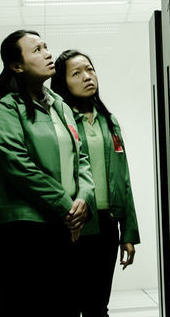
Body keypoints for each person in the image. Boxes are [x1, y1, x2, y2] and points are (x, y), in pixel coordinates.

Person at [0, 30, 95, 317]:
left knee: (65, 305)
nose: (48, 53)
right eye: (36, 50)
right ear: (16, 65)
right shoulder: (6, 107)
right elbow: (17, 165)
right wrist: (66, 205)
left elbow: (81, 158)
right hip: (25, 228)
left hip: (63, 224)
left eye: (46, 47)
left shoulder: (60, 105)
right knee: (30, 307)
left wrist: (83, 197)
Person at [50, 50, 141, 317]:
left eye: (89, 69)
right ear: (62, 82)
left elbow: (123, 178)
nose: (87, 77)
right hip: (74, 221)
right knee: (68, 304)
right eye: (76, 73)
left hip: (107, 223)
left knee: (98, 305)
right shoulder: (61, 121)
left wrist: (128, 232)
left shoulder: (108, 121)